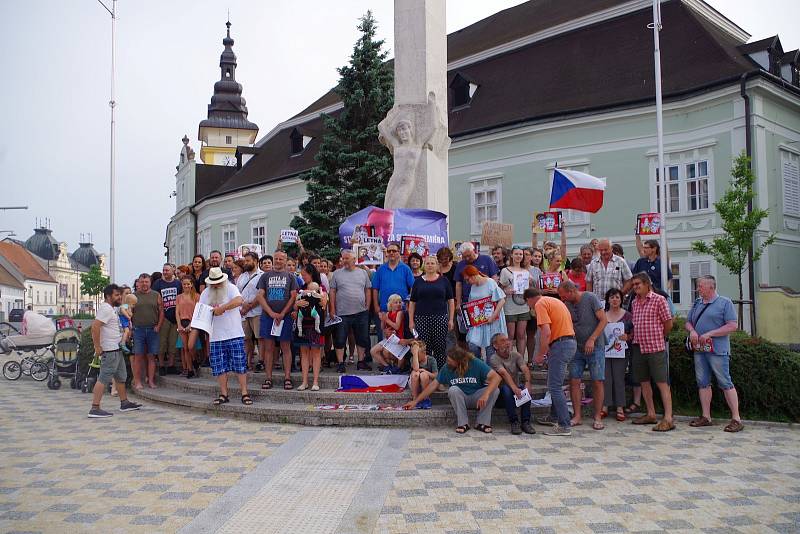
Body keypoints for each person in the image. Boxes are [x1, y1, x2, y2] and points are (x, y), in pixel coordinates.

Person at [685, 275, 742, 432]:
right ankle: (706, 416)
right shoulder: (697, 303)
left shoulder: (725, 303)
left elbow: (732, 326)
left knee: (725, 382)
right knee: (702, 382)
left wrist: (711, 334)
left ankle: (736, 418)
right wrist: (692, 332)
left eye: (701, 286)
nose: (698, 289)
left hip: (717, 350)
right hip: (700, 350)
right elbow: (688, 322)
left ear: (711, 287)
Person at [404, 346, 501, 434]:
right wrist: (415, 401)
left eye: (450, 360)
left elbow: (497, 378)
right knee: (453, 389)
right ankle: (463, 424)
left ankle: (482, 423)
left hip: (477, 397)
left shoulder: (475, 362)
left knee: (495, 390)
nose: (447, 362)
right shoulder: (446, 368)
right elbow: (433, 385)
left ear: (459, 361)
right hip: (461, 398)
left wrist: (486, 394)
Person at [525, 287, 577, 437]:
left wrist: (541, 354)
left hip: (560, 344)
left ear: (529, 299)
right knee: (556, 383)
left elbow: (546, 332)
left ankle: (564, 425)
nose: (531, 309)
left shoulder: (540, 304)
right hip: (568, 342)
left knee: (554, 386)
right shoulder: (553, 300)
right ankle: (554, 417)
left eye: (528, 305)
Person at [558, 280, 607, 430]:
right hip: (576, 347)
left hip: (596, 346)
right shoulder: (566, 304)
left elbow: (604, 320)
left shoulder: (590, 298)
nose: (562, 299)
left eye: (563, 295)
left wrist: (592, 339)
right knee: (574, 380)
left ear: (571, 291)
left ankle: (597, 416)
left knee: (597, 381)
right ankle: (577, 415)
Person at [199, 267, 252, 406]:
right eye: (213, 282)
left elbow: (239, 300)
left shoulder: (231, 287)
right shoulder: (206, 293)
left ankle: (244, 393)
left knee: (240, 365)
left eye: (217, 282)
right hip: (215, 335)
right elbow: (201, 310)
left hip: (234, 333)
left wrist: (223, 307)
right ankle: (224, 394)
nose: (215, 285)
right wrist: (211, 313)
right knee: (219, 367)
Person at [87, 284, 142, 418]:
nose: (119, 297)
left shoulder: (112, 309)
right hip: (109, 349)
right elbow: (95, 327)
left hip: (116, 348)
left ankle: (124, 403)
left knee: (120, 376)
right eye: (116, 295)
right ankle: (95, 407)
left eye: (119, 295)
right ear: (108, 296)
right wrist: (97, 346)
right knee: (104, 377)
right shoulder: (106, 309)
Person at [629, 272, 675, 432]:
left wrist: (660, 337)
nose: (635, 288)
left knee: (662, 382)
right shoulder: (634, 302)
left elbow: (668, 323)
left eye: (638, 284)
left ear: (647, 284)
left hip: (655, 348)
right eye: (633, 285)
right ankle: (651, 413)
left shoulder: (659, 300)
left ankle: (668, 417)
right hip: (638, 347)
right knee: (643, 381)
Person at [256, 250, 298, 390]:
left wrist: (282, 313)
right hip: (268, 317)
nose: (278, 261)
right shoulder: (265, 276)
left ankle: (287, 377)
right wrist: (271, 313)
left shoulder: (291, 277)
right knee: (269, 348)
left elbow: (293, 297)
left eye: (281, 259)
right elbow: (260, 296)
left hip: (285, 317)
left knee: (286, 347)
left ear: (286, 261)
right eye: (276, 258)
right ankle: (268, 377)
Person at [330, 249, 372, 373]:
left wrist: (368, 305)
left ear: (354, 260)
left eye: (347, 258)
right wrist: (332, 308)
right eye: (343, 258)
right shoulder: (337, 273)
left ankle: (361, 362)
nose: (344, 261)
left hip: (361, 312)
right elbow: (332, 291)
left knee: (362, 338)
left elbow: (367, 289)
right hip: (342, 313)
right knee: (340, 339)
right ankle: (340, 363)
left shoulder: (363, 273)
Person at [408, 256, 454, 369]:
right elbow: (412, 303)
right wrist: (411, 321)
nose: (430, 265)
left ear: (437, 265)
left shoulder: (444, 281)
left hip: (440, 318)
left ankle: (440, 376)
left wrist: (451, 319)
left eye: (432, 263)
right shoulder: (418, 281)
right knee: (424, 348)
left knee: (440, 348)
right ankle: (425, 374)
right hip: (421, 319)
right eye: (427, 263)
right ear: (424, 265)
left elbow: (451, 300)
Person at [489, 333, 535, 435]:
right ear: (495, 346)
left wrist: (527, 383)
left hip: (514, 393)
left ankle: (526, 422)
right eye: (502, 341)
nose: (507, 343)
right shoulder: (494, 358)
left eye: (507, 340)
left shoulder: (516, 355)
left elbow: (525, 369)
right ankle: (514, 421)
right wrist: (514, 388)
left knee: (525, 389)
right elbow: (504, 374)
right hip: (500, 396)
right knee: (505, 388)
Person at [293, 264, 328, 391]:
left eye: (305, 275)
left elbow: (324, 304)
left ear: (311, 274)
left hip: (316, 323)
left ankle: (315, 381)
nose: (303, 277)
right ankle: (304, 381)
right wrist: (297, 303)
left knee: (316, 352)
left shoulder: (321, 287)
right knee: (304, 352)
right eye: (302, 275)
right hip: (303, 323)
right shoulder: (301, 288)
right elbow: (295, 306)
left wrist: (319, 295)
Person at [461, 265, 506, 361]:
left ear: (473, 276)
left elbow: (501, 300)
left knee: (490, 348)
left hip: (492, 320)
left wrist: (493, 317)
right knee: (472, 344)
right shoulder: (473, 286)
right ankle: (479, 363)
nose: (467, 282)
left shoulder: (490, 282)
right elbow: (471, 304)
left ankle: (490, 371)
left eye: (467, 279)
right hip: (478, 321)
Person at [602, 288, 632, 422]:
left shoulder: (628, 316)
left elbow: (634, 332)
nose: (614, 300)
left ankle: (620, 407)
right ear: (608, 300)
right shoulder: (602, 315)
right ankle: (605, 406)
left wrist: (628, 336)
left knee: (619, 378)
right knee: (606, 378)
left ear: (621, 300)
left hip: (621, 352)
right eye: (612, 297)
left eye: (617, 297)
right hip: (605, 352)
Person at [499, 246, 536, 355]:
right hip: (510, 307)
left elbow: (531, 290)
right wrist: (506, 291)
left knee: (521, 334)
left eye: (521, 254)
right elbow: (499, 289)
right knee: (510, 335)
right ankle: (509, 360)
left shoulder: (525, 271)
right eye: (516, 254)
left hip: (523, 307)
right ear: (511, 255)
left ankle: (520, 360)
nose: (519, 256)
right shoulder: (505, 271)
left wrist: (530, 283)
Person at [371, 242, 415, 331]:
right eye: (389, 251)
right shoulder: (381, 269)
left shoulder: (406, 268)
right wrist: (376, 306)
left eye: (394, 251)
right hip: (384, 309)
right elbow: (375, 288)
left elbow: (413, 287)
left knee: (401, 337)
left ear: (399, 253)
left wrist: (409, 304)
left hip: (401, 309)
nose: (391, 253)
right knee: (384, 338)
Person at [131, 273, 161, 390]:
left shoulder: (156, 295)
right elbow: (128, 312)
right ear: (138, 282)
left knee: (151, 357)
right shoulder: (133, 296)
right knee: (138, 356)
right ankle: (138, 381)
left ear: (150, 282)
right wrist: (131, 326)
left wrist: (159, 325)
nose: (144, 284)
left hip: (153, 329)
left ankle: (151, 381)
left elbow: (161, 311)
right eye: (142, 282)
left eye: (146, 282)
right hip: (138, 330)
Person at [153, 263, 182, 375]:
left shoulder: (178, 284)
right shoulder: (158, 283)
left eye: (167, 270)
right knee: (162, 342)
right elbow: (155, 298)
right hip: (163, 317)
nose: (165, 272)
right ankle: (161, 365)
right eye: (164, 270)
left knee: (173, 343)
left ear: (172, 271)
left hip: (175, 317)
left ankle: (171, 365)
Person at [237, 252, 263, 372]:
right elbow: (237, 293)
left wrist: (250, 306)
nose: (245, 263)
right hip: (242, 312)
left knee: (259, 338)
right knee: (246, 338)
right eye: (245, 261)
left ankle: (261, 361)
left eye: (248, 261)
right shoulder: (242, 276)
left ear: (255, 261)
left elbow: (261, 294)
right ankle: (247, 361)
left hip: (257, 311)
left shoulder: (262, 275)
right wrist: (243, 306)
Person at [454, 242, 499, 310]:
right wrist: (458, 303)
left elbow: (494, 278)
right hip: (468, 300)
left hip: (486, 299)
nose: (467, 258)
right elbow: (458, 284)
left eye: (469, 255)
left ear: (474, 251)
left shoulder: (487, 259)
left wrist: (494, 296)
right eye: (464, 257)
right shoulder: (460, 265)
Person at [370, 294, 406, 372]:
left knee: (387, 352)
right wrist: (382, 319)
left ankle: (398, 367)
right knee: (373, 351)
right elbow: (382, 327)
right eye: (396, 302)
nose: (399, 304)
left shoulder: (400, 313)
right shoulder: (387, 314)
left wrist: (386, 320)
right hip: (389, 339)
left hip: (398, 339)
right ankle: (387, 366)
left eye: (400, 302)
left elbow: (397, 326)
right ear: (391, 304)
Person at [175, 276, 199, 378]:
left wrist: (191, 324)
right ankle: (190, 370)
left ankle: (194, 360)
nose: (186, 286)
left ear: (191, 284)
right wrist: (179, 324)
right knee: (185, 348)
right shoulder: (179, 297)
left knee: (190, 346)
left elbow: (198, 311)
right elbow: (177, 312)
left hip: (193, 323)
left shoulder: (196, 296)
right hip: (182, 322)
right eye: (184, 284)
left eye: (188, 284)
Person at [408, 340, 438, 409]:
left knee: (423, 375)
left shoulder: (431, 360)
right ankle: (415, 398)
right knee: (415, 373)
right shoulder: (413, 358)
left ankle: (425, 398)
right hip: (415, 382)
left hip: (427, 382)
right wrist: (415, 354)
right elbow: (415, 368)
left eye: (417, 354)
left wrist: (425, 371)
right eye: (415, 354)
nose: (416, 356)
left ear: (424, 353)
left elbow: (436, 375)